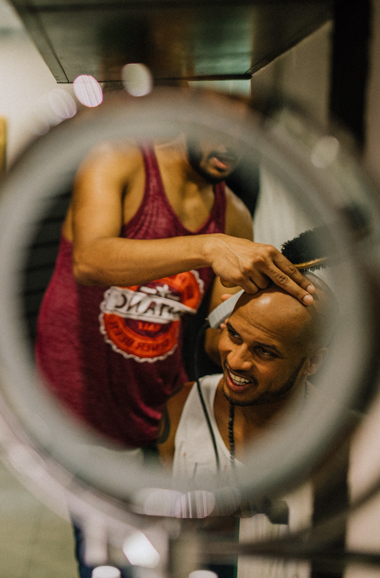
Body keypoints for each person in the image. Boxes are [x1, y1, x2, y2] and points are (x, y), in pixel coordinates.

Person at [33, 93, 315, 577]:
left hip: (161, 410)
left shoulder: (234, 217)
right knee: (107, 557)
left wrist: (270, 328)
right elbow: (91, 259)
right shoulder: (120, 158)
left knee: (179, 556)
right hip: (82, 411)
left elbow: (213, 336)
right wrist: (207, 247)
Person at [157, 276, 332, 578]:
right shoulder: (181, 408)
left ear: (313, 362)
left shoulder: (345, 438)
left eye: (265, 351)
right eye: (235, 335)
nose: (236, 361)